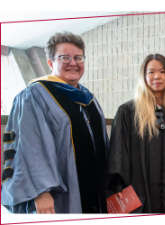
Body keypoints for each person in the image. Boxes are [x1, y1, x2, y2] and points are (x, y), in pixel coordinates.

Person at [1, 32, 109, 215]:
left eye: (78, 57)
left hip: (96, 192)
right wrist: (41, 192)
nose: (73, 63)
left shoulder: (89, 100)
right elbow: (30, 146)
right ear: (50, 63)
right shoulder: (34, 95)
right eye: (64, 57)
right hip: (60, 195)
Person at [105, 54, 165, 215]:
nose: (157, 76)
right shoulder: (128, 112)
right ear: (143, 76)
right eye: (151, 72)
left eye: (163, 71)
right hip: (139, 191)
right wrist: (117, 185)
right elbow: (118, 151)